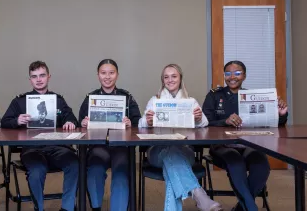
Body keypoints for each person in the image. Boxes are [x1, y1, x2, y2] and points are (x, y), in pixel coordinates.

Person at [202, 60, 288, 211]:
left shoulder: (252, 97)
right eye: (228, 73)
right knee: (236, 163)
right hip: (223, 145)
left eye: (237, 73)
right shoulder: (214, 95)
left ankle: (242, 208)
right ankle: (250, 207)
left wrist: (281, 114)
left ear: (244, 76)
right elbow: (204, 122)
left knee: (261, 164)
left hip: (249, 144)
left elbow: (273, 122)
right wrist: (225, 121)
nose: (232, 77)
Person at [138, 64, 223, 211]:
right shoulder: (155, 100)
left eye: (174, 76)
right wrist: (148, 120)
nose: (170, 80)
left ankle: (199, 196)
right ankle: (199, 194)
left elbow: (205, 123)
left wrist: (197, 119)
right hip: (157, 151)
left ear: (180, 78)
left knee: (172, 167)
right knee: (170, 153)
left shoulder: (190, 101)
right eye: (166, 77)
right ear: (162, 80)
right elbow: (140, 125)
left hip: (184, 151)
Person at [1, 61, 79, 211]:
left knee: (75, 163)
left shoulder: (58, 100)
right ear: (30, 79)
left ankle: (67, 207)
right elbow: (4, 122)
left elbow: (72, 118)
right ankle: (39, 208)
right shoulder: (20, 101)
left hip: (57, 147)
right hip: (32, 149)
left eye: (42, 75)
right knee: (37, 169)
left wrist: (70, 122)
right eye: (34, 76)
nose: (38, 79)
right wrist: (17, 120)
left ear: (49, 77)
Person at [79, 59, 141, 211]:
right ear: (98, 75)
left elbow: (139, 122)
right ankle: (96, 207)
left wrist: (130, 123)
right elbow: (78, 122)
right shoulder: (90, 98)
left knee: (120, 176)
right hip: (98, 146)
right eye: (103, 73)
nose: (107, 77)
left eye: (111, 73)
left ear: (117, 75)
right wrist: (83, 123)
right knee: (94, 172)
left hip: (120, 146)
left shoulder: (127, 97)